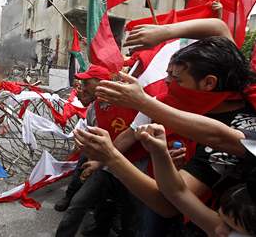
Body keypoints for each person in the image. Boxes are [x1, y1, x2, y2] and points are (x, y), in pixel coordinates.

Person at [75, 36, 256, 235]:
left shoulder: (239, 130)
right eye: (167, 74)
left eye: (176, 78)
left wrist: (111, 156)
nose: (167, 82)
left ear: (209, 83)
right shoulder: (188, 104)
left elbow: (168, 202)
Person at [135, 123, 256, 237]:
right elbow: (178, 192)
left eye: (232, 229)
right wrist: (159, 152)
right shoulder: (232, 221)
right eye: (219, 218)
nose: (218, 230)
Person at [54, 65, 110, 212]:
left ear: (101, 83)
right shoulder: (93, 107)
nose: (82, 88)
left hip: (111, 153)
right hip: (93, 149)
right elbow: (88, 127)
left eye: (86, 83)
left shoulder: (116, 105)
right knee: (81, 168)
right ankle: (69, 196)